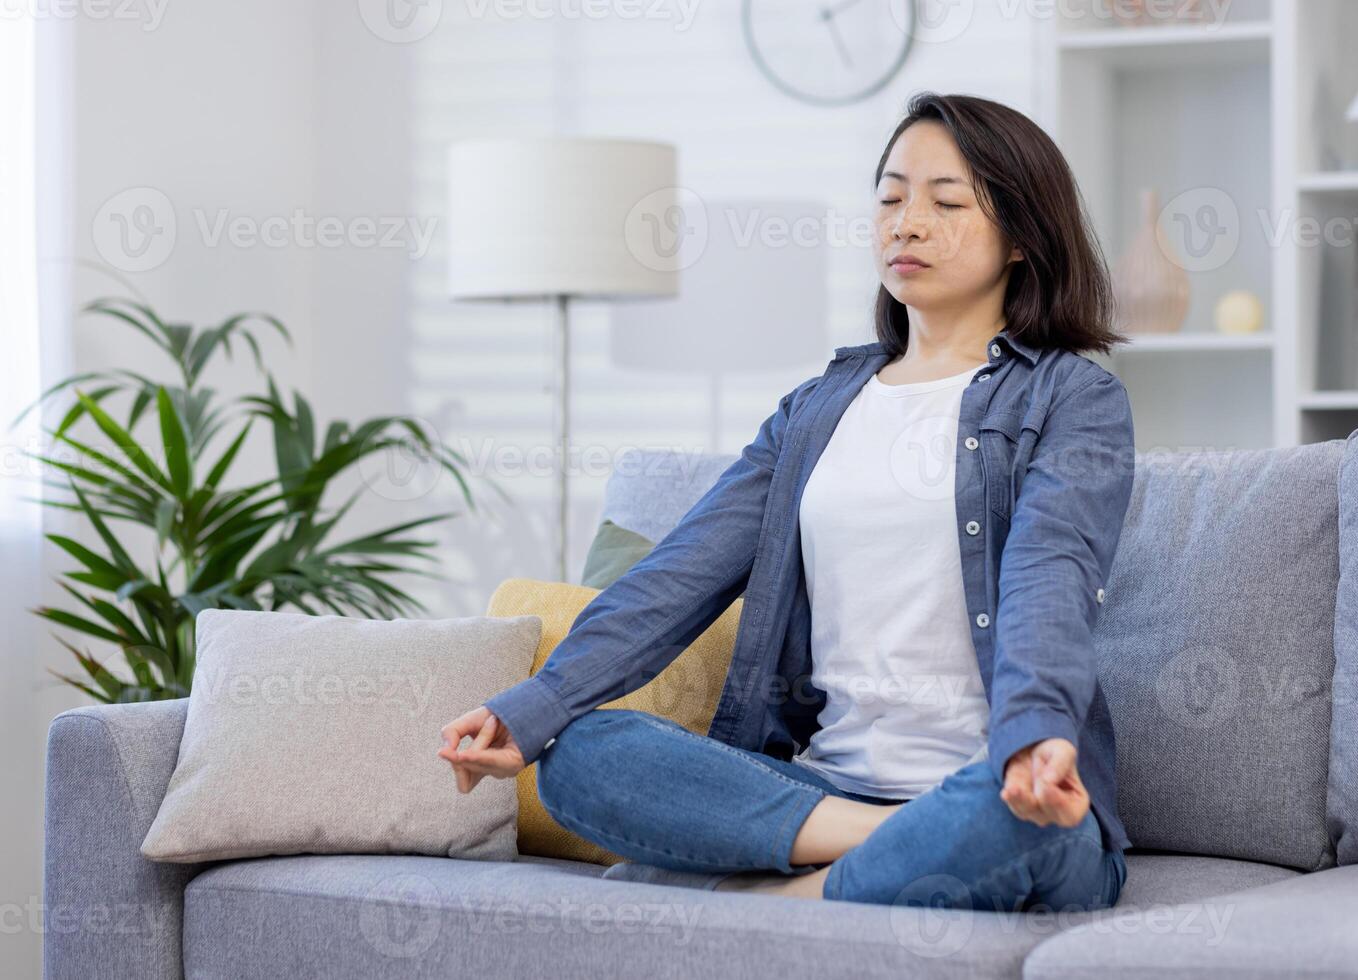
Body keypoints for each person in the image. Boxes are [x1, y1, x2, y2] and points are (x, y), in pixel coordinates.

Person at [438, 91, 1136, 913]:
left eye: (946, 202)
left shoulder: (1073, 398)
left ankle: (767, 896)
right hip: (824, 790)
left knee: (1032, 828)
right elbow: (677, 577)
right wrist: (532, 708)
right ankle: (884, 855)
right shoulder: (816, 410)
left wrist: (1037, 739)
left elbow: (1048, 577)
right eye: (890, 197)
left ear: (1023, 236)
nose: (906, 223)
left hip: (1001, 786)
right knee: (585, 753)